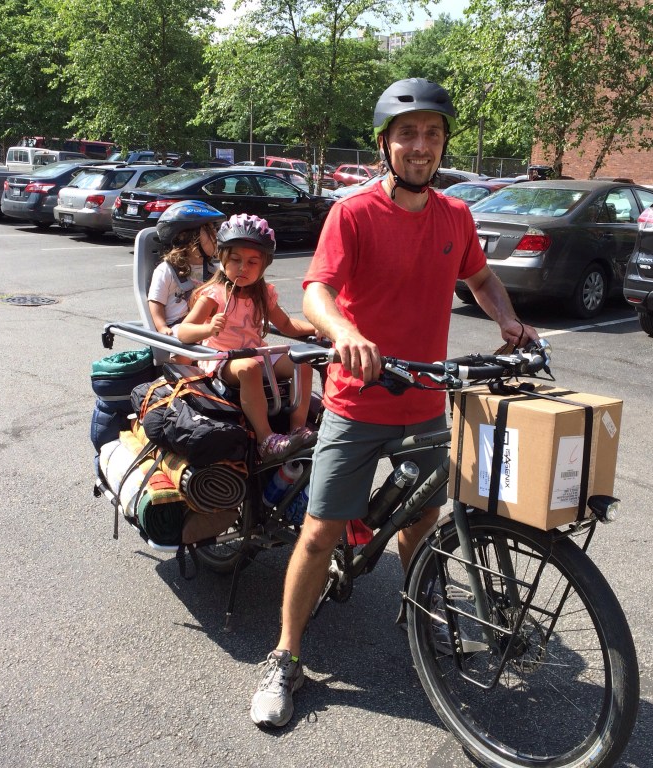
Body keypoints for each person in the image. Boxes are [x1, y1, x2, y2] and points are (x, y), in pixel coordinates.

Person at [249, 78, 539, 728]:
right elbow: (318, 290)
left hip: (425, 401)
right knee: (321, 531)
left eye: (432, 135)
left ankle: (419, 626)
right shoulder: (352, 214)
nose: (421, 145)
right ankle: (286, 657)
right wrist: (345, 333)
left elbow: (482, 277)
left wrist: (508, 322)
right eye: (408, 134)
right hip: (356, 401)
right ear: (385, 143)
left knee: (418, 528)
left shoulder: (455, 217)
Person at [174, 213, 319, 460]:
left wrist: (316, 328)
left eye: (253, 262)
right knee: (249, 367)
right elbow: (184, 331)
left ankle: (298, 428)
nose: (243, 268)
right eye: (236, 260)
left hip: (255, 352)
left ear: (264, 265)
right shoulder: (214, 294)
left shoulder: (263, 293)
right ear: (222, 259)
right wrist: (208, 329)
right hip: (221, 358)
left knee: (301, 364)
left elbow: (286, 325)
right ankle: (266, 439)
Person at [148, 200, 224, 337]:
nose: (216, 236)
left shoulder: (214, 270)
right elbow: (156, 301)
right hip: (177, 329)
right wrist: (162, 326)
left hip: (204, 327)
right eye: (209, 231)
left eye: (215, 229)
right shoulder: (166, 270)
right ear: (185, 237)